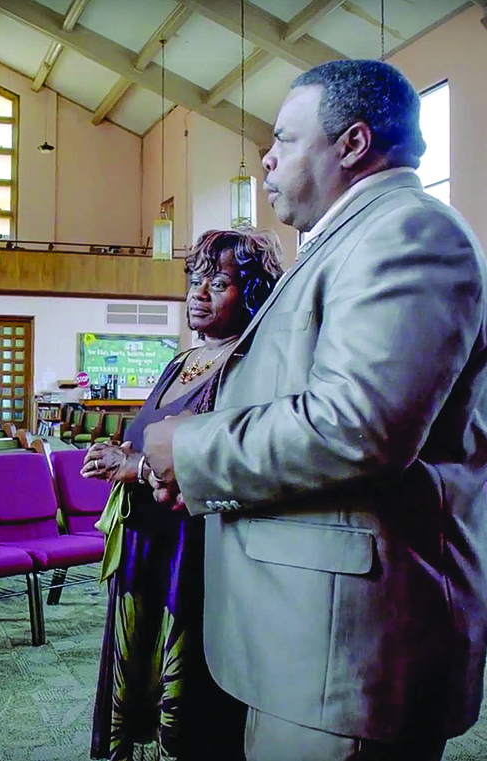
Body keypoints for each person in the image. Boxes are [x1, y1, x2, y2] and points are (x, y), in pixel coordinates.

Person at [142, 59, 487, 761]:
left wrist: (193, 447)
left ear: (352, 144)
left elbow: (358, 425)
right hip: (302, 633)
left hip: (347, 652)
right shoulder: (341, 240)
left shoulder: (409, 233)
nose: (266, 157)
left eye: (285, 139)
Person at [84, 229, 284, 760]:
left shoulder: (250, 366)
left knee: (190, 686)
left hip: (194, 549)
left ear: (256, 293)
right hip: (146, 541)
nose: (198, 293)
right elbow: (146, 439)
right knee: (137, 662)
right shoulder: (180, 362)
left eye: (218, 283)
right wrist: (115, 452)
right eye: (195, 280)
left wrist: (137, 466)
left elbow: (218, 461)